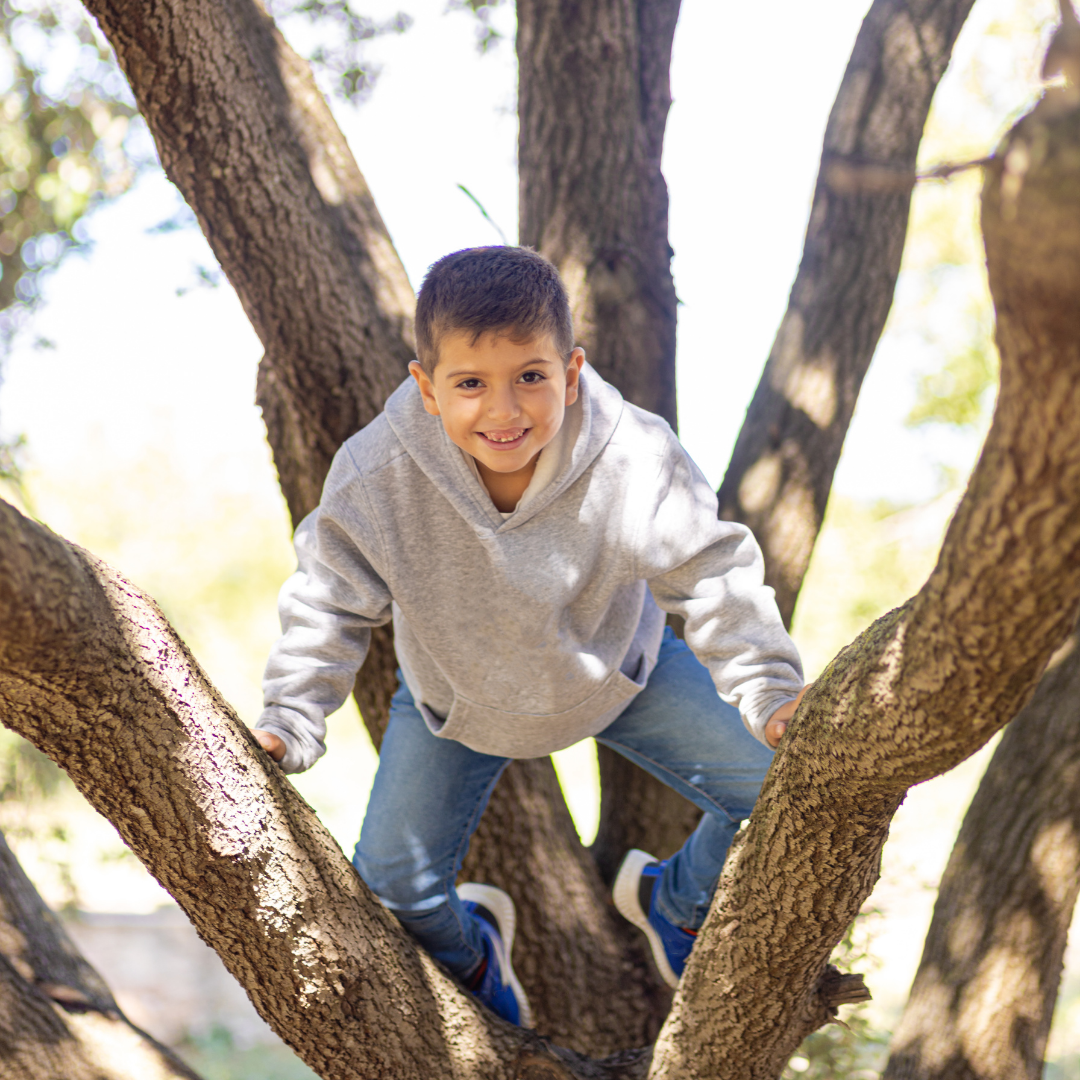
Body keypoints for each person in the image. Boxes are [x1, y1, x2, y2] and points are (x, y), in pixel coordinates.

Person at [252, 246, 805, 1028]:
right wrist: (290, 719)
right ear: (427, 389)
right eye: (471, 384)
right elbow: (326, 600)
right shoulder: (379, 473)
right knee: (391, 891)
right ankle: (477, 949)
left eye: (531, 377)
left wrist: (773, 692)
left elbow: (714, 575)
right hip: (459, 698)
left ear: (570, 373)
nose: (504, 411)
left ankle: (674, 901)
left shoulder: (635, 456)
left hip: (620, 673)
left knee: (793, 789)